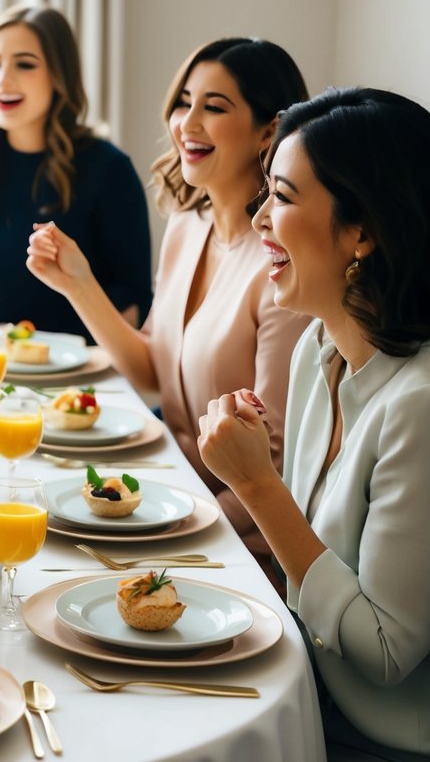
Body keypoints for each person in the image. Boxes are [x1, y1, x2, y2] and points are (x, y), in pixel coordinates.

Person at [199, 88, 430, 759]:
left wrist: (256, 485)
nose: (259, 219)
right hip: (302, 685)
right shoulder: (318, 347)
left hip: (372, 740)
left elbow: (386, 656)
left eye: (284, 197)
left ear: (363, 231)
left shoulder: (416, 405)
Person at [27, 38, 311, 579]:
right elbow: (153, 373)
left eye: (215, 106)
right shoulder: (188, 225)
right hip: (171, 506)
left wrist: (154, 541)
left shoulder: (282, 267)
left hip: (235, 550)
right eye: (184, 102)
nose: (187, 123)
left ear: (269, 131)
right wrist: (79, 285)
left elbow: (274, 463)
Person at [0, 5, 152, 337]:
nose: (2, 79)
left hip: (80, 371)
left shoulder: (108, 168)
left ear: (59, 75)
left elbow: (133, 295)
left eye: (24, 64)